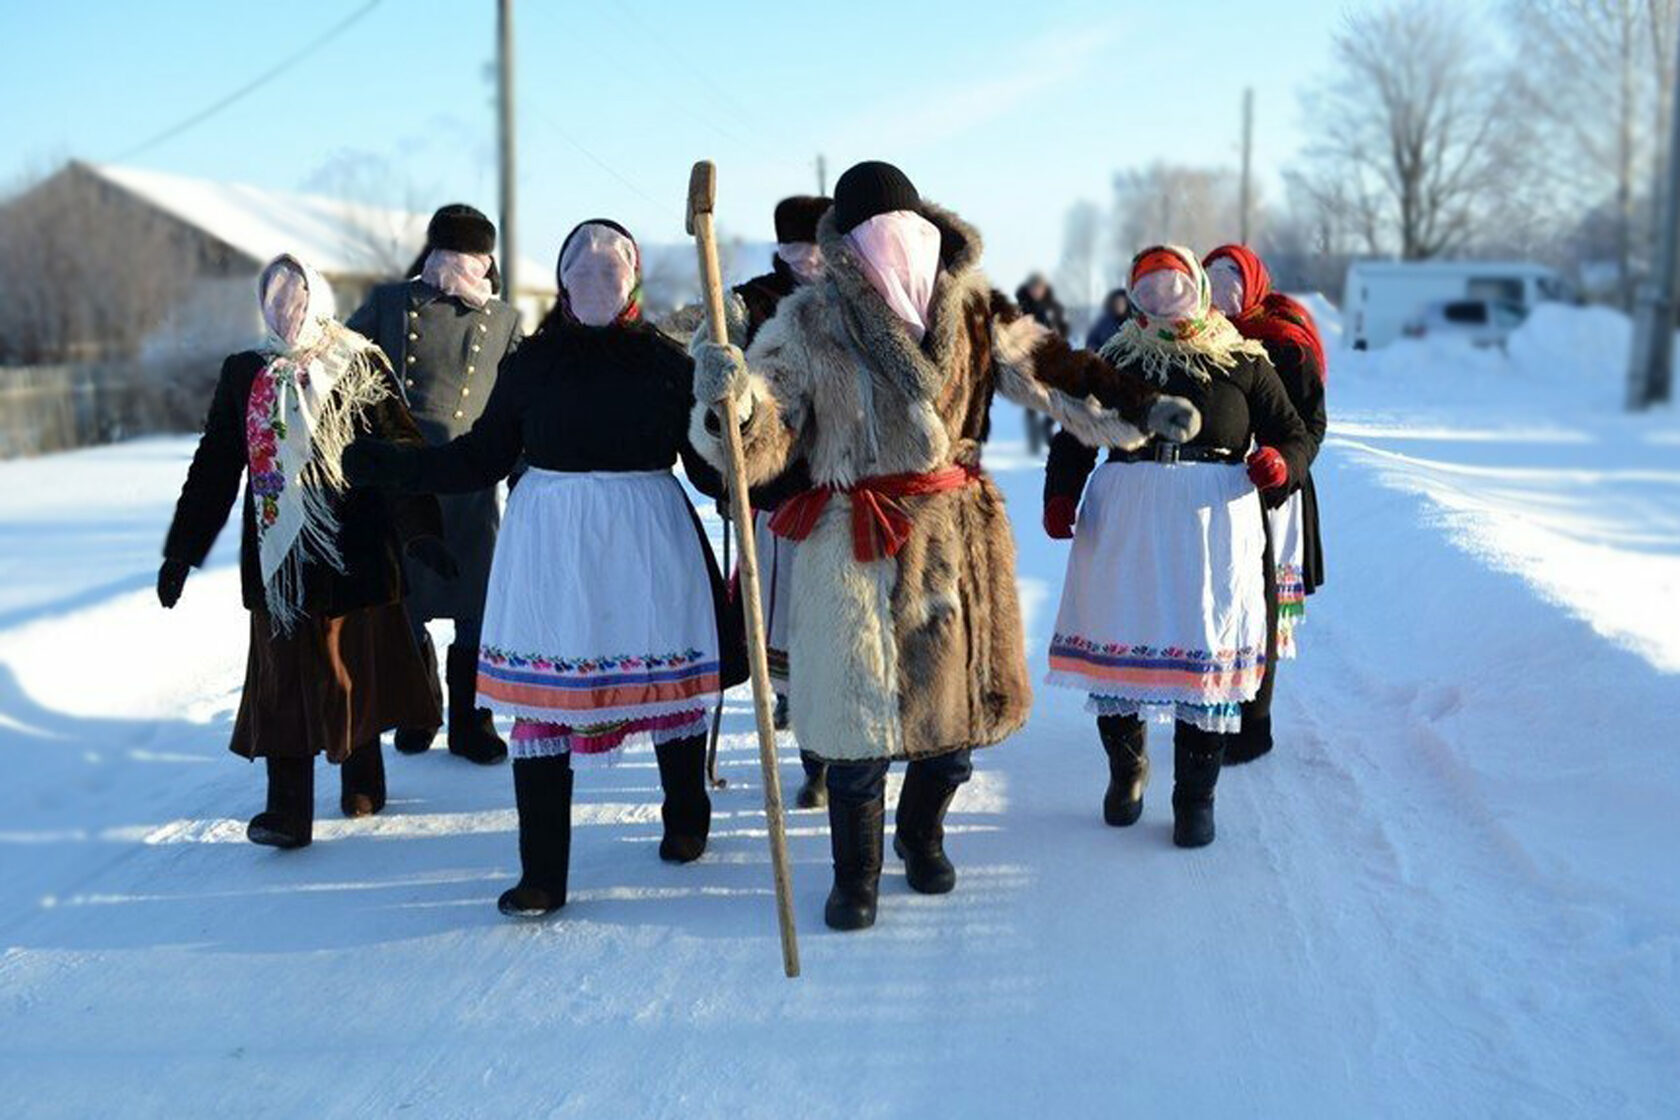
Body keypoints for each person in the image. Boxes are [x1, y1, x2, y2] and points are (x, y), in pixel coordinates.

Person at [690, 161, 1198, 930]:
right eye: (873, 236)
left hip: (952, 542)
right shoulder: (808, 320)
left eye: (908, 232)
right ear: (848, 246)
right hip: (854, 538)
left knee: (950, 726)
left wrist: (1140, 406)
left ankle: (921, 836)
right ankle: (853, 874)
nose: (895, 247)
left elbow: (1059, 373)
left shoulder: (975, 312)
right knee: (856, 729)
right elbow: (768, 431)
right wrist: (734, 399)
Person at [346, 219, 747, 918]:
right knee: (542, 707)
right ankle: (543, 875)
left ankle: (686, 814)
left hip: (647, 537)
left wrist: (733, 413)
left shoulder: (668, 362)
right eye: (582, 272)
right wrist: (391, 465)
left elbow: (717, 477)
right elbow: (480, 457)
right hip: (551, 549)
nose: (596, 284)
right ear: (562, 282)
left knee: (665, 686)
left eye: (610, 272)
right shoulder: (531, 362)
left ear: (634, 281)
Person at [158, 255, 451, 850]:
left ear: (317, 301)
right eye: (274, 302)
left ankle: (362, 777)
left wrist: (421, 530)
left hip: (355, 550)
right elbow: (216, 465)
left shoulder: (359, 362)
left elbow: (401, 452)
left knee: (351, 674)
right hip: (277, 557)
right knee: (282, 685)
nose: (285, 314)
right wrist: (181, 552)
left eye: (294, 302)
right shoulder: (246, 372)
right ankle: (287, 813)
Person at [1043, 245, 1310, 848]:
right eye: (1150, 286)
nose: (1164, 296)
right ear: (1133, 293)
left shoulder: (1241, 360)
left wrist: (1278, 464)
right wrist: (1061, 494)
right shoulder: (1114, 359)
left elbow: (1293, 433)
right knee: (1119, 638)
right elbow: (1074, 438)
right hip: (1126, 519)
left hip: (1212, 524)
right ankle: (1127, 772)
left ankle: (1196, 800)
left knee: (1205, 654)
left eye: (1174, 284)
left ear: (1197, 286)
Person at [346, 204, 523, 765]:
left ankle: (473, 724)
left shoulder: (504, 320)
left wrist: (525, 474)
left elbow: (519, 404)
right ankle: (418, 709)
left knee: (474, 605)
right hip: (403, 481)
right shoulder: (390, 303)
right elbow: (343, 365)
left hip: (472, 480)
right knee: (407, 602)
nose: (465, 267)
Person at [723, 195, 832, 809]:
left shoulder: (859, 296)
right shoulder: (751, 301)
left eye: (819, 246)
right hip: (779, 486)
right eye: (799, 248)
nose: (810, 259)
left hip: (848, 487)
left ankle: (834, 748)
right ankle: (812, 752)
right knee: (787, 621)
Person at [1203, 244, 1329, 764]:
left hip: (1276, 491)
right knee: (1223, 600)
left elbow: (1311, 425)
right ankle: (1216, 707)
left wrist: (1281, 461)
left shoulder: (1285, 343)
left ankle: (1255, 725)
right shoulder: (1202, 340)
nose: (1222, 306)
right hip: (1218, 487)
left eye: (1230, 290)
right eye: (1212, 291)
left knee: (1260, 606)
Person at [1015, 271, 1070, 453]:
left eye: (1041, 288)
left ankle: (1047, 429)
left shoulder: (1052, 306)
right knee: (1032, 397)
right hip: (1030, 358)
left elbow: (1061, 328)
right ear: (1030, 289)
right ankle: (1034, 435)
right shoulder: (1022, 307)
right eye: (1035, 288)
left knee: (1052, 396)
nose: (1038, 291)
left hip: (1051, 357)